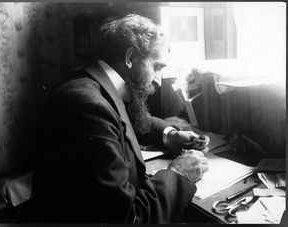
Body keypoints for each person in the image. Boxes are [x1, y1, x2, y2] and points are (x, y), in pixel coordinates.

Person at [18, 14, 209, 223]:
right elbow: (128, 219)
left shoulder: (95, 83)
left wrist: (169, 135)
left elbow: (127, 118)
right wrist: (178, 174)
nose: (159, 80)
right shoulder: (88, 108)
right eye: (156, 67)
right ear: (130, 57)